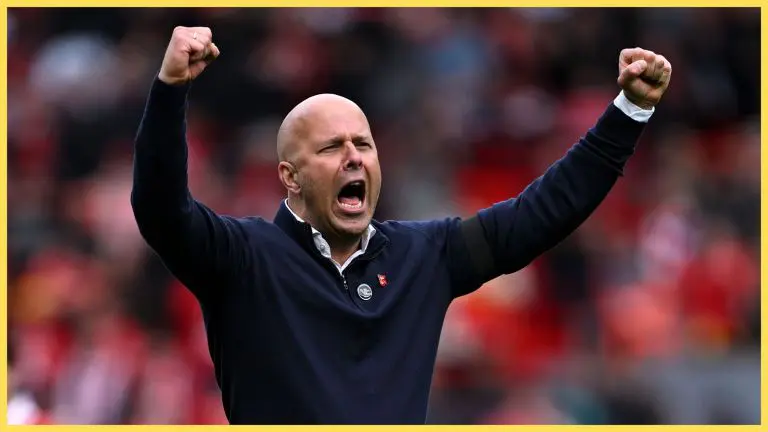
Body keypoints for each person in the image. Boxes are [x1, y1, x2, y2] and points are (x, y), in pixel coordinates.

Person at [130, 26, 672, 424]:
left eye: (363, 144)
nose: (353, 156)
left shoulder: (423, 255)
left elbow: (541, 214)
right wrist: (170, 90)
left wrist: (630, 112)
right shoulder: (241, 257)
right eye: (331, 147)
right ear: (290, 177)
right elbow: (161, 211)